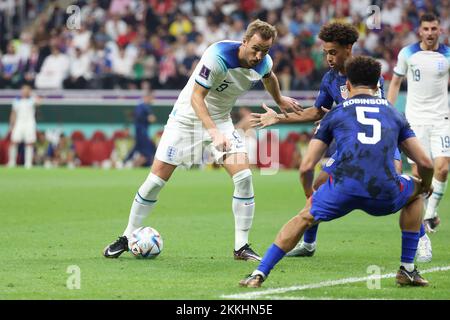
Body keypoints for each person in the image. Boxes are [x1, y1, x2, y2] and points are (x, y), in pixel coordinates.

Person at [103, 19, 302, 260]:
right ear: (245, 41)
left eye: (265, 50)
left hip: (220, 120)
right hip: (186, 119)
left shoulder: (263, 62)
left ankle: (241, 246)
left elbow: (269, 77)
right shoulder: (217, 55)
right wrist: (214, 133)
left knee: (244, 177)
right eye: (256, 48)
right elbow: (197, 98)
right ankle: (126, 237)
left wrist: (279, 100)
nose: (259, 55)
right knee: (155, 181)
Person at [239, 56, 434, 288]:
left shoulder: (335, 113)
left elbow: (306, 166)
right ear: (377, 86)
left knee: (304, 217)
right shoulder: (394, 114)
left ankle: (260, 273)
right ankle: (408, 269)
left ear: (348, 85)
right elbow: (426, 163)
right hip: (383, 191)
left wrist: (310, 195)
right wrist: (425, 184)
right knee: (415, 193)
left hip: (342, 188)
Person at [388, 13, 449, 235]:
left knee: (442, 168)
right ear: (420, 31)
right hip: (415, 120)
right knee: (419, 174)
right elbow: (395, 83)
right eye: (426, 29)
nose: (430, 33)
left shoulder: (448, 54)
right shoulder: (408, 53)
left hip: (442, 119)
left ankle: (430, 213)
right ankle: (421, 226)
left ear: (440, 30)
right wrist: (388, 111)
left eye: (434, 29)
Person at [8, 84, 42, 169]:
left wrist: (32, 94)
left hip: (29, 123)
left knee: (29, 143)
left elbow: (39, 102)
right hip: (19, 123)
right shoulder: (16, 100)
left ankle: (28, 163)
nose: (25, 92)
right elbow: (13, 113)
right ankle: (12, 162)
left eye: (27, 90)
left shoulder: (32, 100)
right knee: (14, 142)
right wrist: (11, 125)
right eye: (23, 90)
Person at [125, 90, 157, 167]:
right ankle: (127, 162)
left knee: (138, 148)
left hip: (141, 132)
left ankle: (126, 162)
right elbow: (151, 118)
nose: (152, 100)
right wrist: (148, 118)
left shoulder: (142, 106)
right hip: (141, 132)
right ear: (146, 97)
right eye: (151, 98)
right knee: (148, 149)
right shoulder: (143, 106)